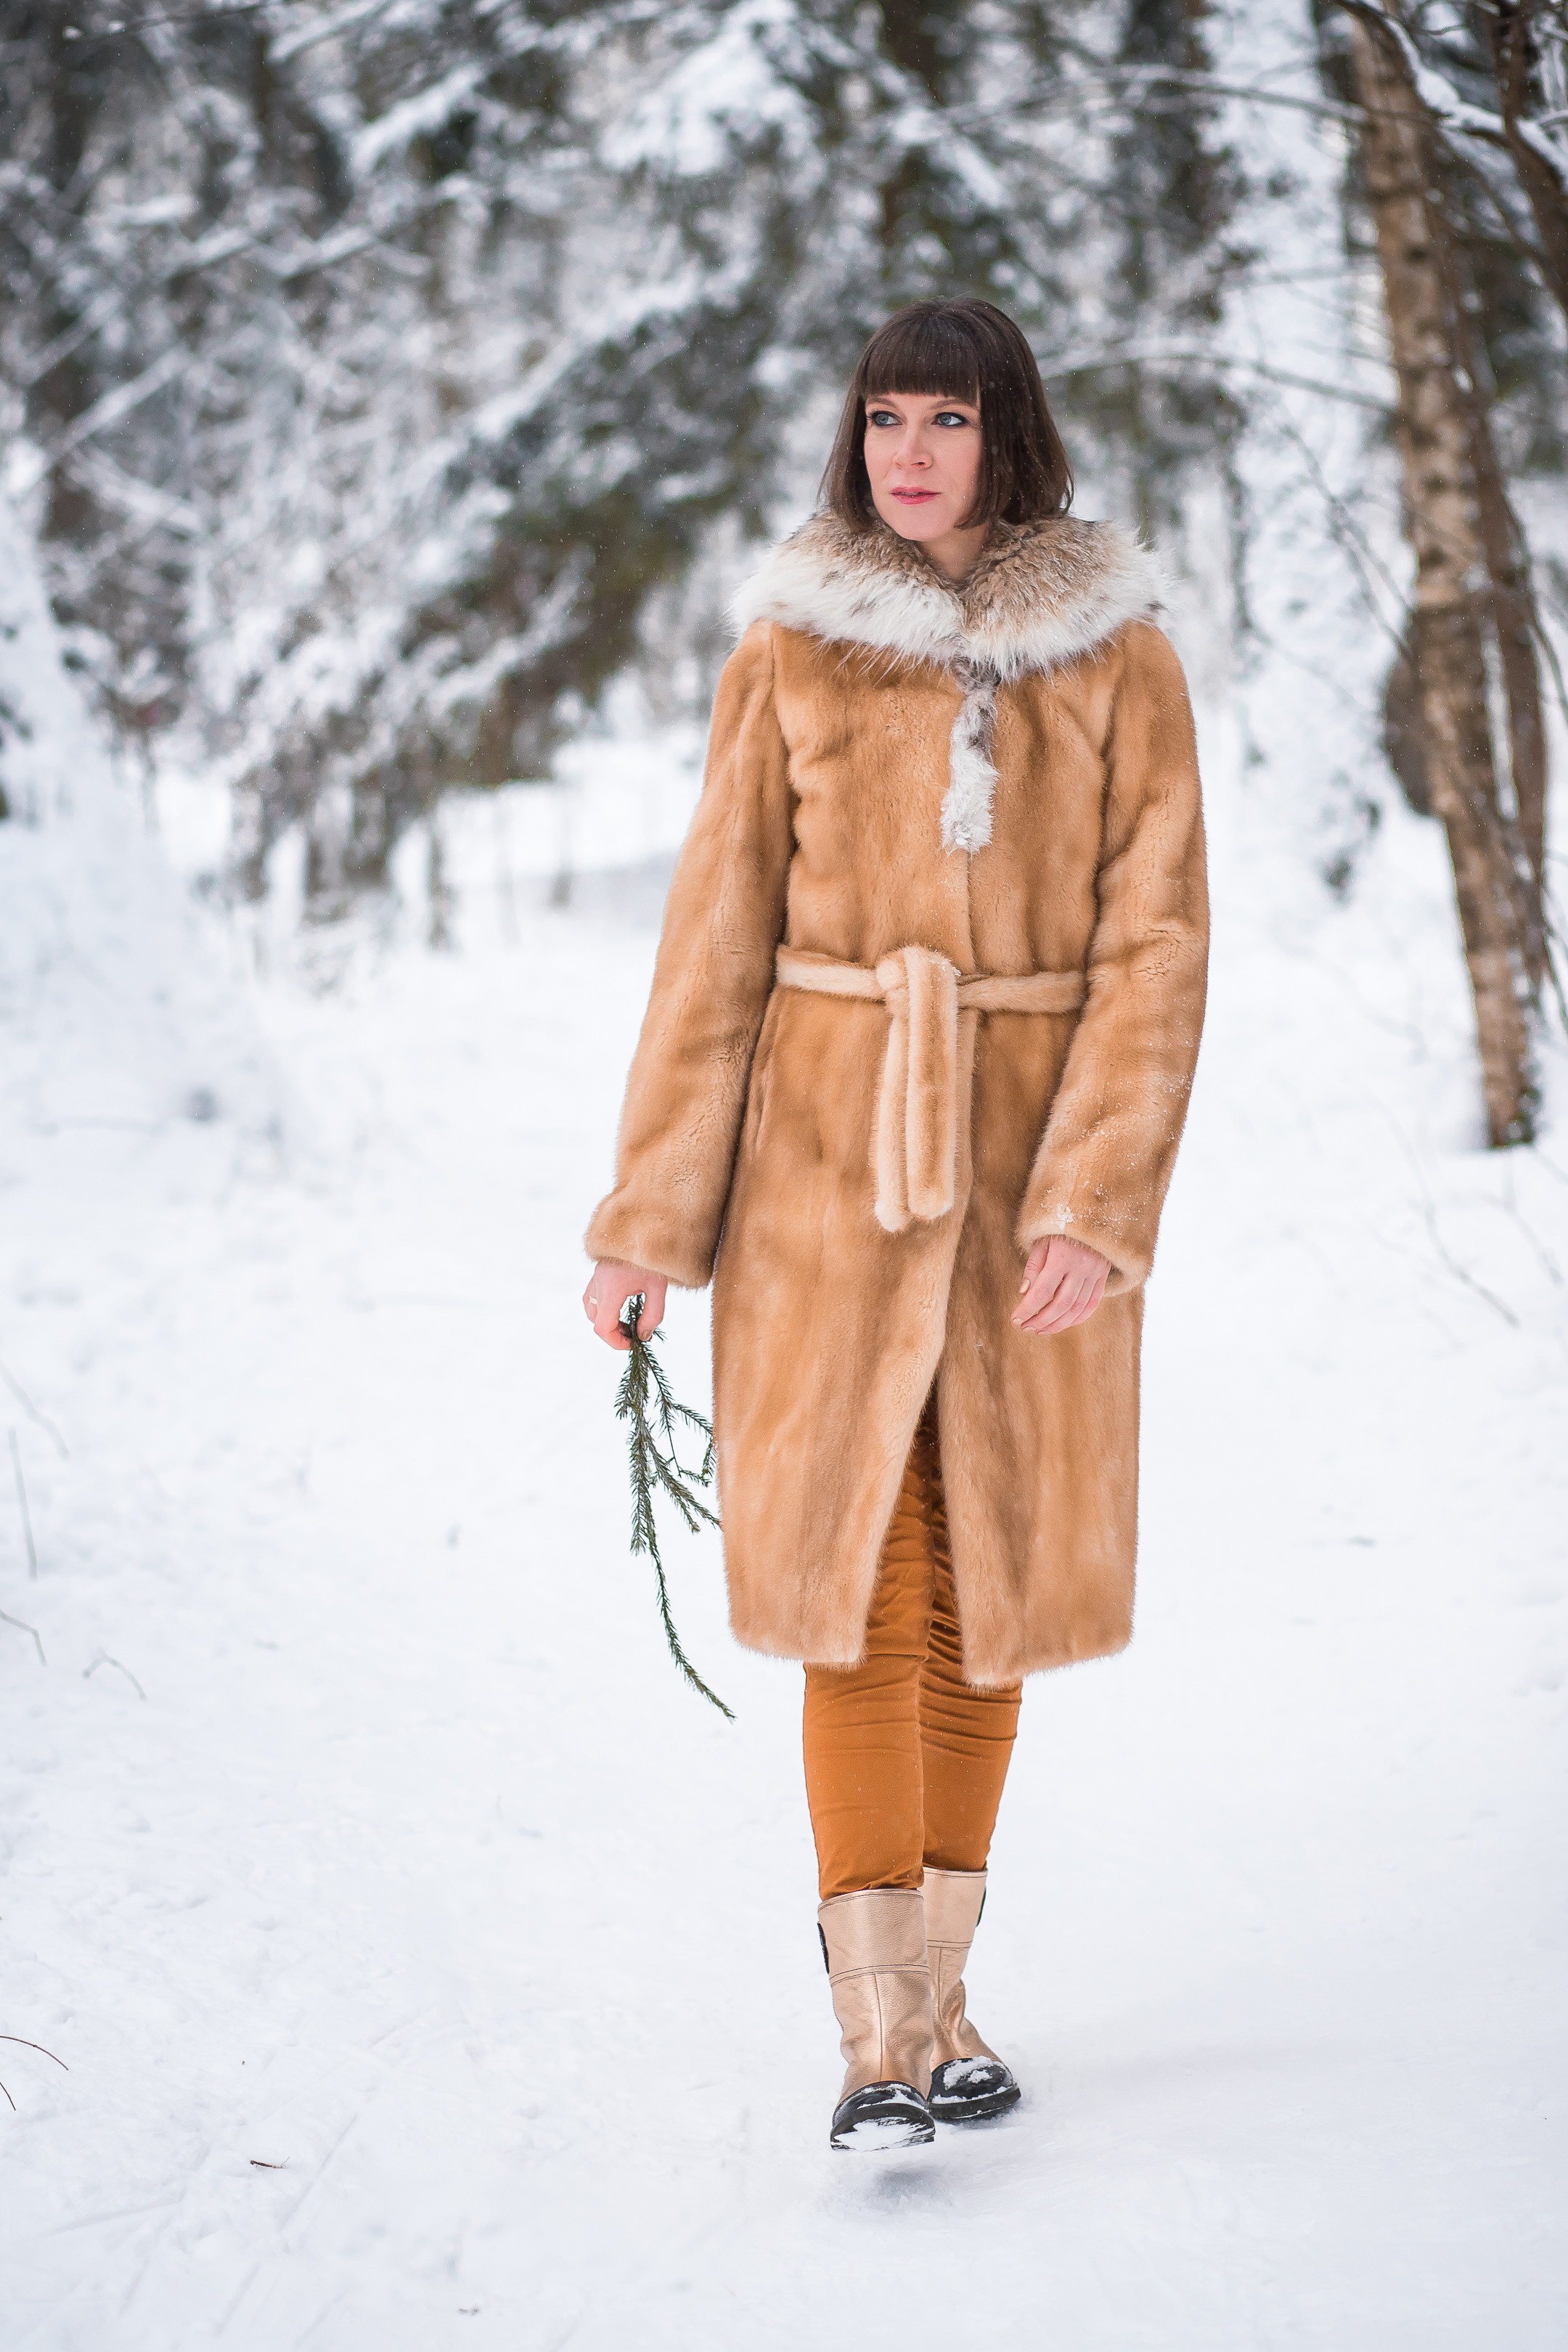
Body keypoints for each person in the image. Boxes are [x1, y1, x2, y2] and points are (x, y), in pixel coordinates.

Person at [583, 298, 1208, 2152]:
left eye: (946, 418)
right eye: (883, 419)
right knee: (865, 1594)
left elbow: (1158, 951)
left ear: (1010, 437)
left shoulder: (1118, 660)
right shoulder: (791, 650)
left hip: (1028, 1178)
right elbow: (711, 957)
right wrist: (647, 1221)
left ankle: (949, 1999)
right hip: (822, 1187)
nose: (910, 452)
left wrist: (1100, 1197)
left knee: (989, 1611)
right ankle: (881, 2034)